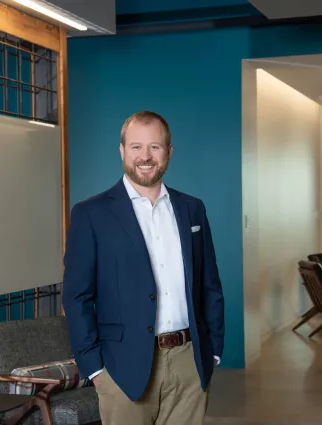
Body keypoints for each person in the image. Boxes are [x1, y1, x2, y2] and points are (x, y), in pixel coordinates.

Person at [62, 111, 225, 425]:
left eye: (155, 147)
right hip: (121, 367)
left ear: (169, 152)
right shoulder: (90, 213)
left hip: (189, 360)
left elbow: (209, 282)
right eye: (136, 147)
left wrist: (213, 348)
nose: (146, 157)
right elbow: (76, 296)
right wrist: (94, 369)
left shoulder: (192, 208)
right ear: (122, 151)